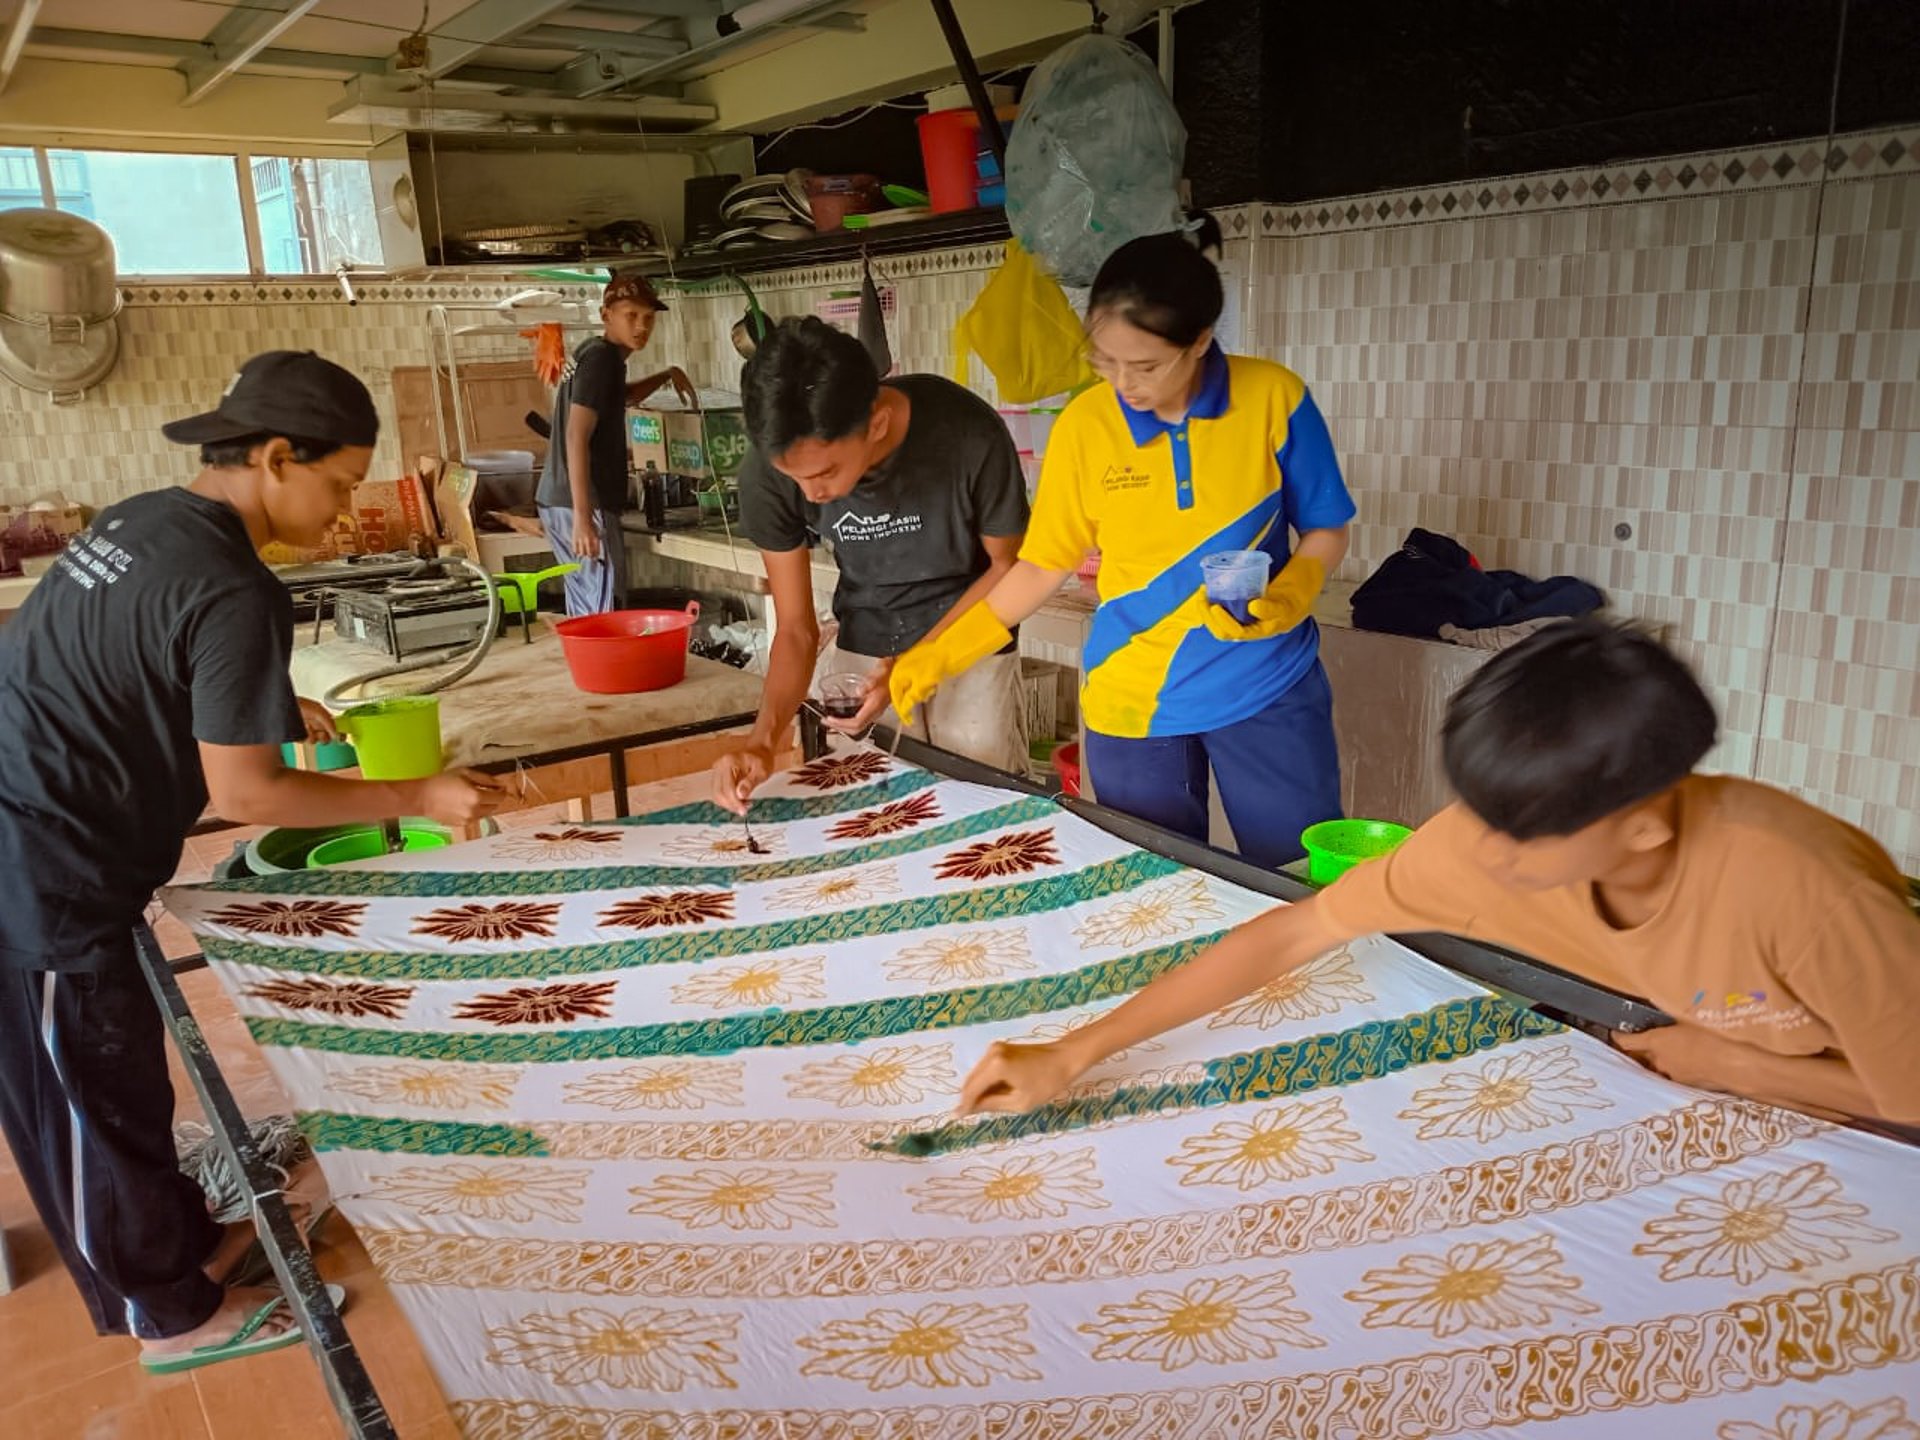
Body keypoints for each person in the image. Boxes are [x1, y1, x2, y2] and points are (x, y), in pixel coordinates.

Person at [0, 351, 510, 1372]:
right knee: (91, 1096)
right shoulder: (236, 583)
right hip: (40, 864)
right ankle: (168, 1318)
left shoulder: (139, 520)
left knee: (125, 1078)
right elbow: (245, 798)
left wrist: (255, 710)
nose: (343, 507)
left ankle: (188, 1248)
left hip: (41, 824)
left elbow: (136, 662)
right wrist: (419, 794)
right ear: (277, 457)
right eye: (336, 482)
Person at [957, 620, 1920, 1136]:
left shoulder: (1805, 892)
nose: (1482, 858)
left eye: (1519, 840)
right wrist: (1076, 1051)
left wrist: (1732, 1062)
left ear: (1641, 827)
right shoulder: (1487, 839)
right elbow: (1291, 932)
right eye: (1478, 815)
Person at [890, 230, 1355, 867]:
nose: (1123, 385)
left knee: (1300, 881)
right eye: (1105, 362)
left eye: (1145, 366)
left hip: (1266, 680)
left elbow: (1328, 527)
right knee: (1151, 885)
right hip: (1133, 696)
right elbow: (1043, 563)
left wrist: (1300, 585)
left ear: (1199, 342)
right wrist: (947, 650)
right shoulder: (1086, 425)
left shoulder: (1275, 397)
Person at [710, 318, 1031, 812]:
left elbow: (1008, 568)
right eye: (791, 478)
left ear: (876, 425)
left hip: (971, 636)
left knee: (977, 806)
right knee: (873, 809)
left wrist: (917, 660)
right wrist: (762, 740)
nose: (810, 494)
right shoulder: (771, 468)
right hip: (865, 639)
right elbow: (796, 629)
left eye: (825, 473)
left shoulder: (967, 435)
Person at [535, 270, 695, 617]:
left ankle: (590, 671)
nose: (641, 326)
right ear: (606, 316)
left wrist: (666, 375)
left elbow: (619, 398)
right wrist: (583, 517)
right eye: (631, 316)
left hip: (560, 499)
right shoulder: (603, 360)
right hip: (582, 503)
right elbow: (577, 435)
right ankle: (601, 671)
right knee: (604, 610)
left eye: (649, 318)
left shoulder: (596, 353)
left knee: (587, 606)